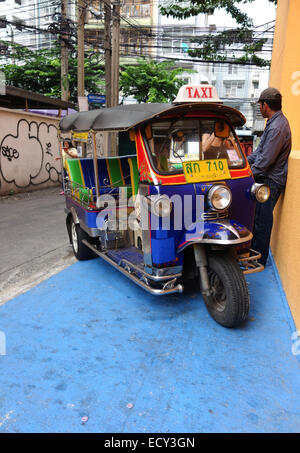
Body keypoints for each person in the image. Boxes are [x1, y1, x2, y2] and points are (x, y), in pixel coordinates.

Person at [248, 87, 292, 266]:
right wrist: (243, 163)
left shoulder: (277, 128)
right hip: (265, 178)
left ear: (265, 105)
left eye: (260, 104)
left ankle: (259, 260)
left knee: (262, 221)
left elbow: (265, 161)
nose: (259, 108)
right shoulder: (273, 123)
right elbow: (258, 153)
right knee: (257, 218)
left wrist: (248, 174)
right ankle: (253, 255)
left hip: (270, 181)